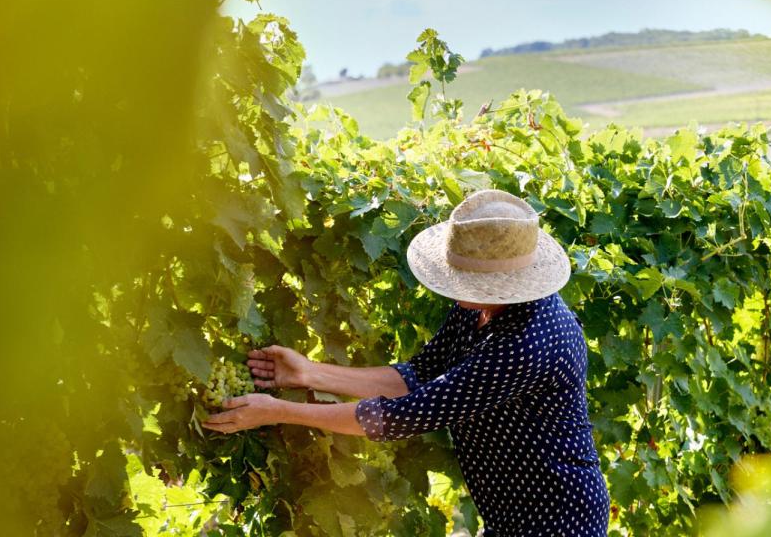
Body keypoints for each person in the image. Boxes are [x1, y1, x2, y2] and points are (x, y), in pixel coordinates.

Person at [203, 189, 610, 536]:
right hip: (510, 513)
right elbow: (417, 376)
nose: (457, 286)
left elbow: (398, 417)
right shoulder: (482, 304)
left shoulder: (525, 346)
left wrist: (278, 412)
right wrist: (310, 371)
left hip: (557, 518)